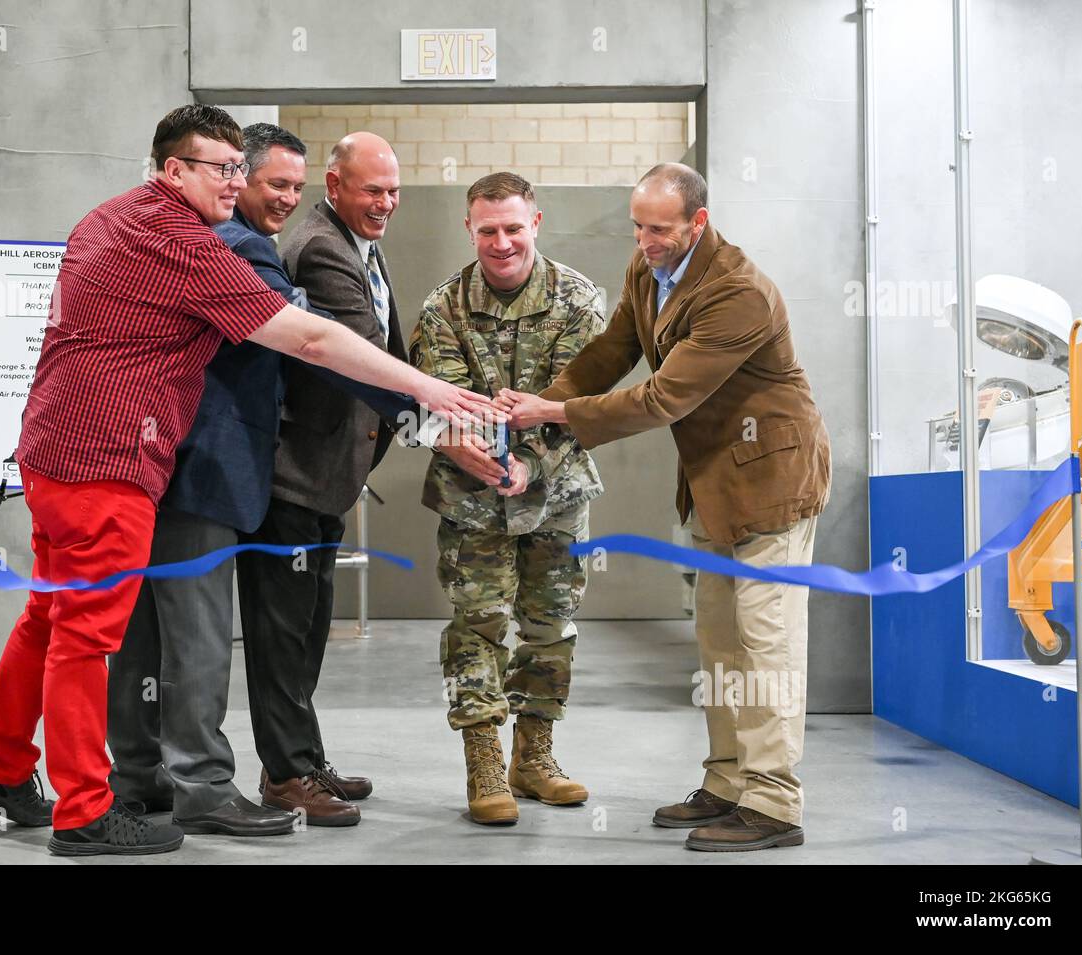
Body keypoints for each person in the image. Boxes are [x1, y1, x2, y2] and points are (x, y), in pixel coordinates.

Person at [0, 106, 493, 856]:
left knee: (49, 613)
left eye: (242, 168)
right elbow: (307, 335)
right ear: (174, 170)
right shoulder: (186, 244)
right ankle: (84, 810)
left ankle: (4, 768)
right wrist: (428, 392)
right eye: (224, 169)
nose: (237, 184)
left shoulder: (110, 216)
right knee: (86, 635)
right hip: (108, 459)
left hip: (52, 447)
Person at [105, 123, 430, 838]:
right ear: (182, 170)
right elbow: (316, 344)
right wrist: (436, 411)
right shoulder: (236, 247)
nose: (273, 194)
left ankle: (139, 773)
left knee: (146, 635)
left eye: (292, 184)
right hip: (203, 469)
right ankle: (204, 784)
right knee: (197, 637)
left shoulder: (136, 228)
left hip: (151, 461)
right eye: (242, 175)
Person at [498, 162, 831, 852]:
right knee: (719, 641)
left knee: (766, 645)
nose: (644, 241)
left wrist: (556, 411)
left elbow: (662, 397)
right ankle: (728, 780)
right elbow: (612, 350)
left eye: (659, 229)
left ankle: (773, 802)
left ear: (697, 223)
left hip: (773, 479)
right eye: (638, 227)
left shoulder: (738, 291)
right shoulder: (649, 269)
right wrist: (541, 413)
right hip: (715, 482)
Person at [411, 172, 606, 826]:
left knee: (551, 624)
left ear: (536, 223)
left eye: (513, 228)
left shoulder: (580, 301)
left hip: (555, 492)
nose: (501, 243)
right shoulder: (442, 310)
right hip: (471, 500)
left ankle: (534, 753)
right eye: (487, 230)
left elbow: (579, 405)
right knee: (480, 623)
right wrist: (466, 451)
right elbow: (432, 409)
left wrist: (526, 464)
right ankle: (484, 759)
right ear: (470, 229)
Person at [238, 131, 421, 826]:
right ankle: (285, 775)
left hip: (329, 475)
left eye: (394, 190)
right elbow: (365, 359)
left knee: (309, 629)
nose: (386, 203)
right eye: (372, 190)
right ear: (337, 186)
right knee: (282, 632)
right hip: (293, 476)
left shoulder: (357, 245)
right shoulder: (319, 245)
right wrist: (443, 423)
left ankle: (301, 757)